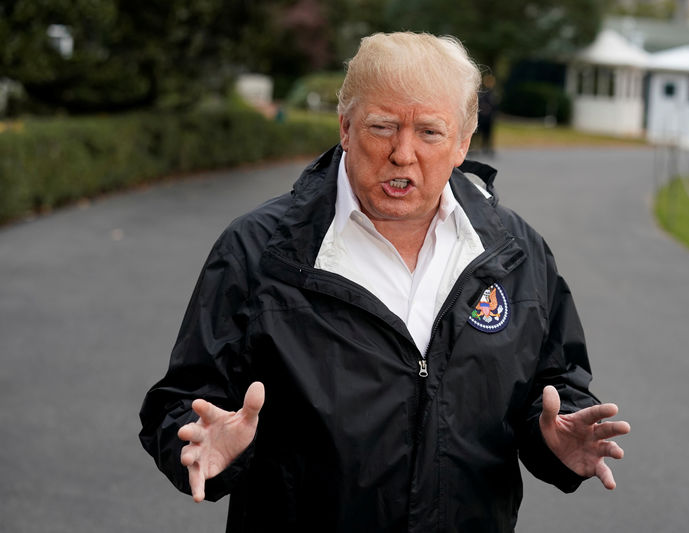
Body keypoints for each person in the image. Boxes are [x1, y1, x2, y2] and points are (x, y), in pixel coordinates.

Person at [139, 32, 630, 532]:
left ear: (463, 142)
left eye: (430, 133)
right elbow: (181, 401)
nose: (402, 153)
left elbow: (556, 386)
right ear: (345, 128)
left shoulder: (516, 254)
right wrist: (194, 440)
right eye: (382, 126)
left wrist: (559, 436)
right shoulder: (257, 251)